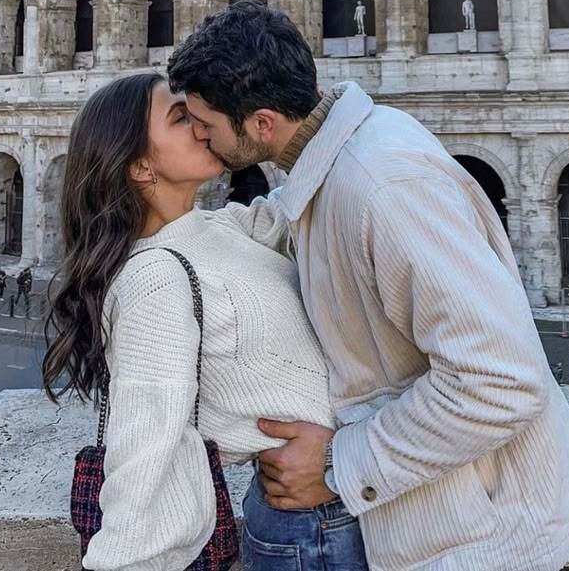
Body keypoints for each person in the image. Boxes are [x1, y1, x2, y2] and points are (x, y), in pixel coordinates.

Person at [168, 1, 569, 571]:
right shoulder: (339, 154)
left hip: (475, 529)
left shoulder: (385, 188)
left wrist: (341, 461)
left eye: (205, 124)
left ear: (262, 123)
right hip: (436, 508)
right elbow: (285, 221)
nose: (197, 134)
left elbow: (501, 381)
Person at [42, 72, 368, 571]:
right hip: (311, 526)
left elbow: (306, 194)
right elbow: (144, 453)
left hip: (338, 500)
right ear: (140, 167)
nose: (201, 125)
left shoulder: (221, 224)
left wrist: (289, 96)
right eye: (181, 118)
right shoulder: (154, 278)